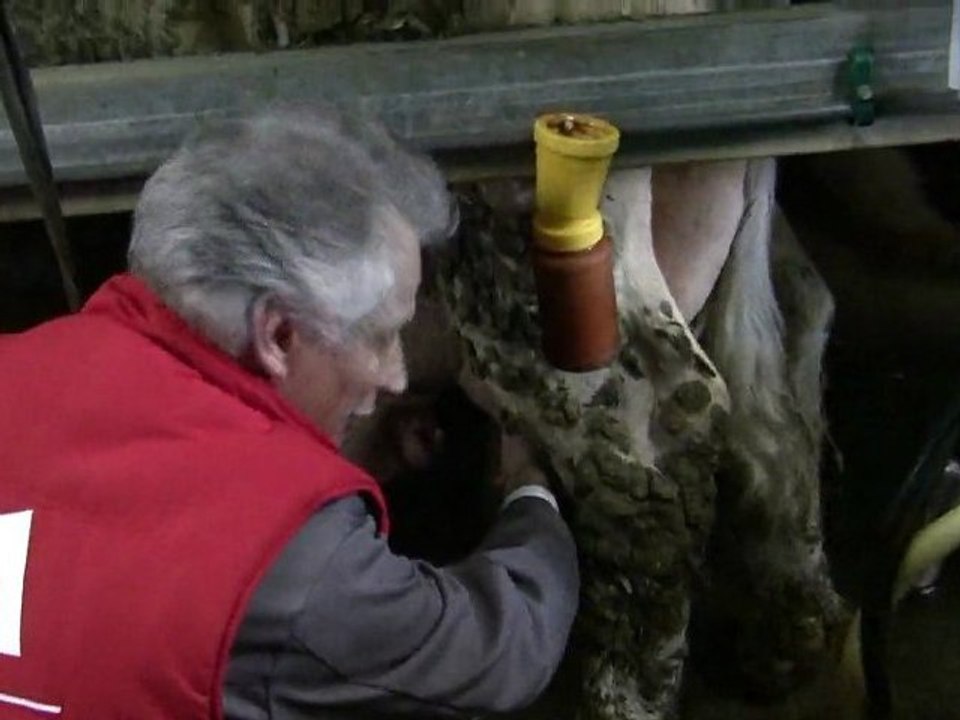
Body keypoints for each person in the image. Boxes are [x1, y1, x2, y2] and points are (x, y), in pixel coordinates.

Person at [0, 107, 579, 719]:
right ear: (277, 335)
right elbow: (494, 651)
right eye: (382, 337)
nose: (396, 374)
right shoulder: (287, 555)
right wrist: (530, 493)